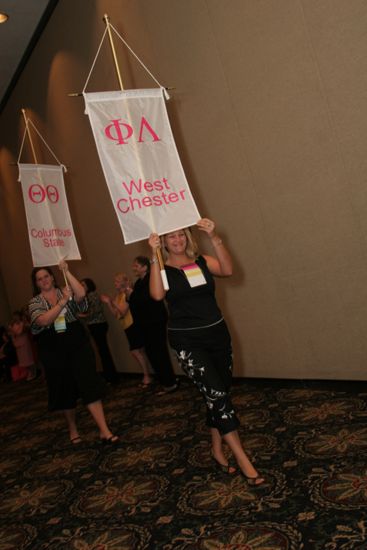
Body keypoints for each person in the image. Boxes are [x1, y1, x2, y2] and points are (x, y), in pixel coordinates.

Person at [148, 218, 264, 485]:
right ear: (164, 242)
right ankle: (243, 458)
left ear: (188, 237)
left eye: (181, 235)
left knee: (219, 391)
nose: (177, 240)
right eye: (171, 237)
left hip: (217, 336)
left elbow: (227, 269)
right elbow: (156, 295)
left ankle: (215, 448)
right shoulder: (162, 270)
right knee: (217, 393)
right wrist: (153, 256)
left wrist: (215, 237)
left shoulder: (201, 261)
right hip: (187, 342)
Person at [28, 260, 118, 445]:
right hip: (53, 347)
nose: (44, 280)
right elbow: (44, 321)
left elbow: (81, 294)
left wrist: (66, 271)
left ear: (52, 277)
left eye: (46, 276)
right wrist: (62, 303)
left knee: (89, 383)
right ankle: (73, 428)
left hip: (76, 341)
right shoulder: (35, 302)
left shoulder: (65, 289)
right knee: (64, 388)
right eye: (39, 279)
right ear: (36, 283)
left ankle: (104, 430)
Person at [127, 256, 178, 393]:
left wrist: (133, 294)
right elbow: (134, 303)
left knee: (159, 352)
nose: (134, 268)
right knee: (152, 353)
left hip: (155, 321)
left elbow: (150, 298)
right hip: (145, 323)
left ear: (145, 267)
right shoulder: (138, 282)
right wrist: (130, 295)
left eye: (136, 266)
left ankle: (169, 383)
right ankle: (164, 381)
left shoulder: (151, 279)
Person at [101, 273, 152, 387]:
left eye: (117, 281)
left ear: (123, 282)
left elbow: (123, 311)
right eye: (115, 282)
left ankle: (147, 376)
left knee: (136, 351)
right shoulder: (118, 296)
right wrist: (109, 303)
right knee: (139, 352)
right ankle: (147, 375)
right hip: (126, 326)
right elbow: (116, 314)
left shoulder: (126, 294)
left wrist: (112, 302)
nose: (115, 284)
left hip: (133, 324)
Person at [80, 278, 119, 385]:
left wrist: (78, 315)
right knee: (102, 351)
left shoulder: (92, 295)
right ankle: (110, 376)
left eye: (83, 284)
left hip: (98, 325)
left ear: (89, 285)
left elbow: (93, 312)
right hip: (95, 325)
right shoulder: (87, 296)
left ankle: (111, 377)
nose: (81, 286)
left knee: (103, 351)